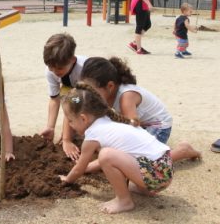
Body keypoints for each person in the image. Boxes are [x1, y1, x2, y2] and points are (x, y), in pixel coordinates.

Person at [59, 83, 173, 214]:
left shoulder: (93, 135)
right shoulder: (110, 120)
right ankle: (144, 189)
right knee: (114, 153)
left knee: (106, 155)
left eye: (70, 121)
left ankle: (124, 201)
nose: (70, 125)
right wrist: (89, 167)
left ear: (83, 118)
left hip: (157, 176)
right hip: (165, 168)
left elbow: (79, 168)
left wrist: (67, 179)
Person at [80, 56, 200, 162]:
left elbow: (133, 132)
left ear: (110, 86)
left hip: (158, 126)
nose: (89, 94)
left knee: (140, 159)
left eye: (92, 90)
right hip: (141, 123)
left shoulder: (126, 97)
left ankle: (182, 151)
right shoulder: (106, 94)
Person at [39, 33, 88, 159]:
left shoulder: (85, 69)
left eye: (59, 68)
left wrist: (67, 138)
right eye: (51, 68)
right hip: (73, 94)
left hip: (92, 98)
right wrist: (50, 127)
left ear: (72, 59)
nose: (55, 72)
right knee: (66, 93)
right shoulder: (51, 71)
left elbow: (74, 102)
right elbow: (54, 99)